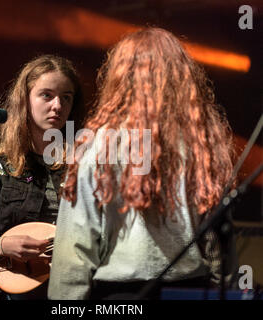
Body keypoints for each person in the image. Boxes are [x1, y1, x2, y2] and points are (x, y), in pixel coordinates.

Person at [48, 28, 238, 300]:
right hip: (192, 291)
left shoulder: (97, 146)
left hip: (120, 296)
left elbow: (74, 248)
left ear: (120, 78)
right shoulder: (201, 146)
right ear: (181, 77)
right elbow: (220, 244)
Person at [0, 54, 83, 300]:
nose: (58, 105)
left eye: (66, 97)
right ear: (25, 100)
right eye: (47, 95)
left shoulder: (83, 167)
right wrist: (0, 245)